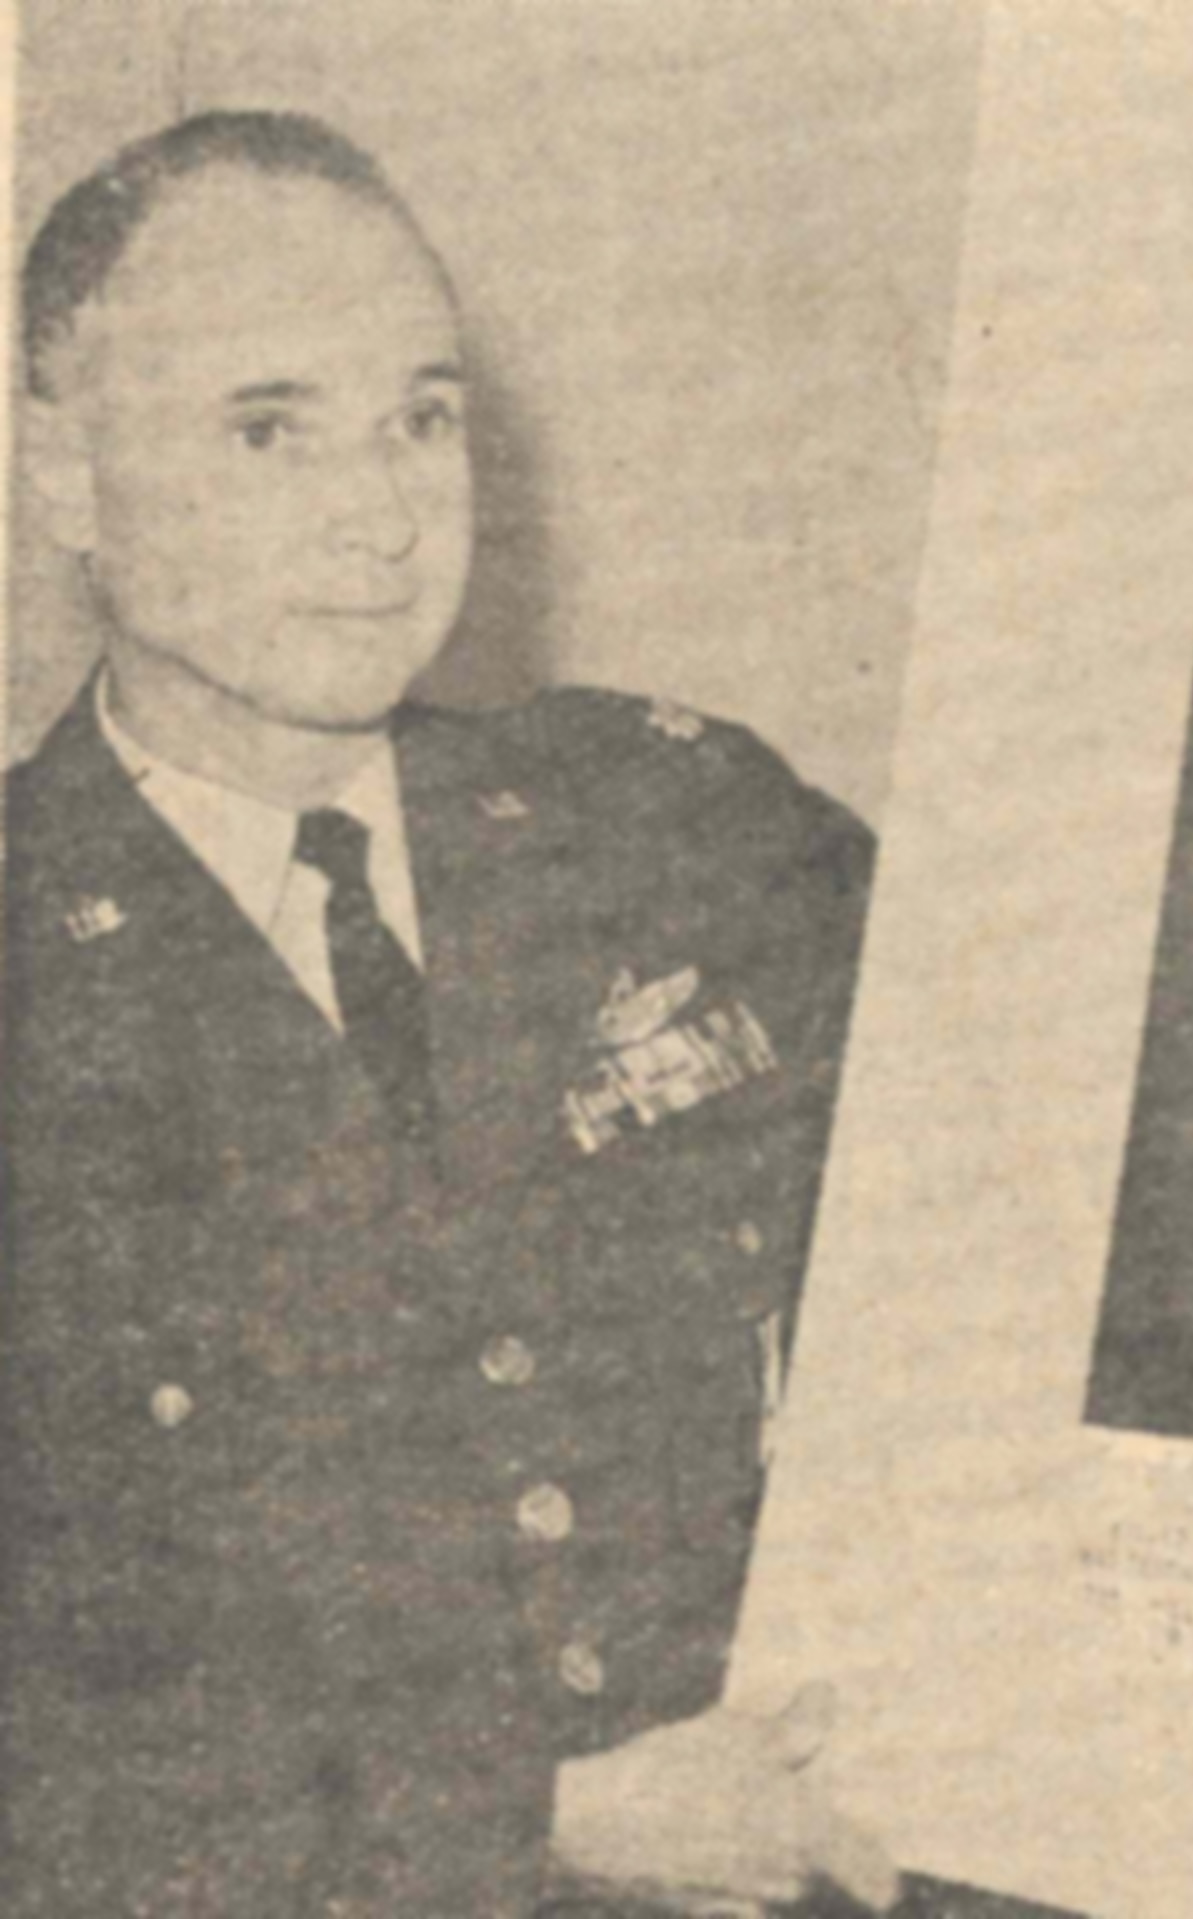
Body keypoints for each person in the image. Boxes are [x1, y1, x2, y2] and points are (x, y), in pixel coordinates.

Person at [0, 110, 897, 1914]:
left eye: (422, 414)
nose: (385, 512)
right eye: (270, 429)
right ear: (64, 474)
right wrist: (527, 1820)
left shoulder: (683, 817)